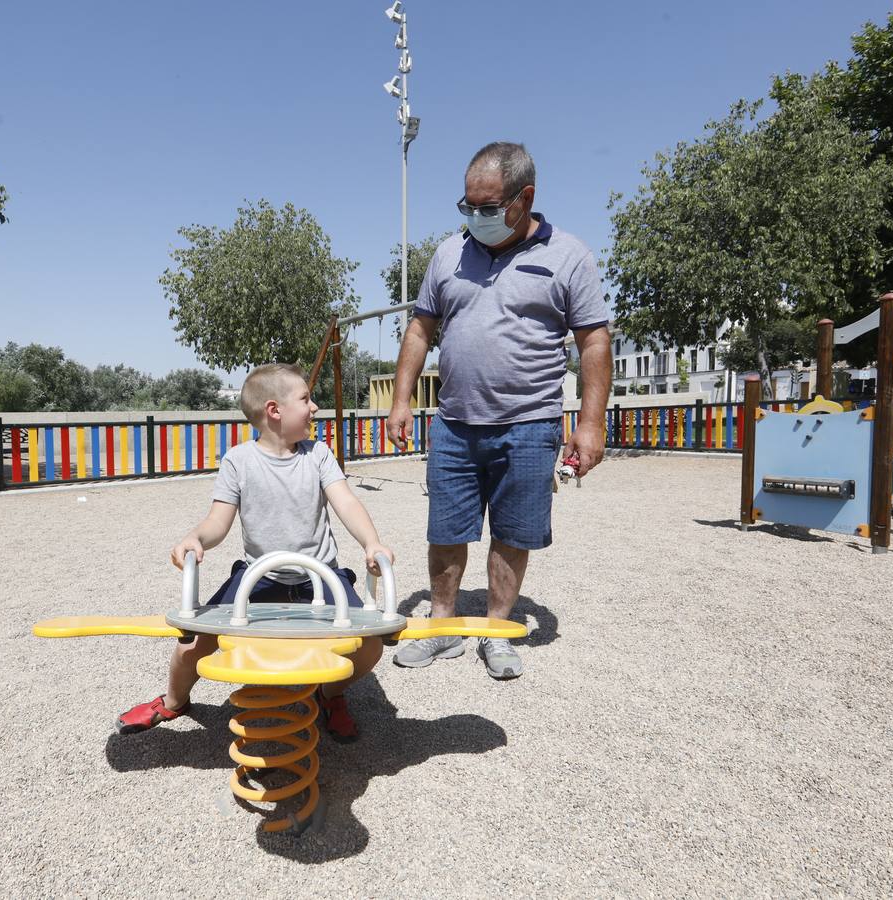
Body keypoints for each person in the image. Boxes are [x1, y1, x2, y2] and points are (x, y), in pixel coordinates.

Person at [386, 141, 612, 680]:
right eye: (466, 206)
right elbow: (420, 329)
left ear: (524, 197)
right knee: (446, 528)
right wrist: (399, 402)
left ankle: (494, 628)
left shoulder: (569, 256)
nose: (475, 217)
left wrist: (590, 422)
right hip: (455, 423)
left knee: (513, 531)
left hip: (529, 425)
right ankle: (442, 628)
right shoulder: (448, 254)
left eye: (487, 207)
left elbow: (594, 343)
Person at [118, 363, 395, 741]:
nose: (314, 407)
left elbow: (345, 502)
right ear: (274, 411)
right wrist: (195, 537)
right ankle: (174, 700)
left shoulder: (318, 455)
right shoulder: (239, 461)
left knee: (371, 644)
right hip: (259, 577)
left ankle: (331, 694)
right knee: (191, 645)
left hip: (320, 576)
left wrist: (371, 541)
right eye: (305, 399)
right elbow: (218, 521)